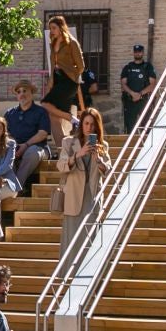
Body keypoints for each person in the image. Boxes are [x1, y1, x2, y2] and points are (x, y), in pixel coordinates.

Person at [56, 107, 108, 251]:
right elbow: (61, 166)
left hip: (91, 196)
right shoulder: (68, 142)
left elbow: (108, 171)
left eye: (92, 124)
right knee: (71, 241)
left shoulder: (102, 146)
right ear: (81, 124)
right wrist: (78, 154)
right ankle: (68, 273)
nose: (89, 127)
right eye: (86, 123)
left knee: (90, 241)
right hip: (72, 196)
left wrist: (99, 160)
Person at [41, 16, 84, 137]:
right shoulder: (53, 43)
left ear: (61, 27)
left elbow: (81, 66)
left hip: (69, 81)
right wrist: (51, 81)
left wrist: (72, 76)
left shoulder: (71, 42)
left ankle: (72, 119)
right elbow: (53, 65)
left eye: (54, 28)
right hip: (57, 80)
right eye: (50, 28)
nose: (52, 30)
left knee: (45, 103)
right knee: (53, 118)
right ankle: (61, 151)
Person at [118, 42, 158, 133]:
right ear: (133, 53)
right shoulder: (127, 67)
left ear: (143, 53)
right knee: (130, 126)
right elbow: (123, 84)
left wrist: (139, 94)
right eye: (135, 51)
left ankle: (146, 146)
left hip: (144, 100)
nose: (137, 53)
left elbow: (152, 84)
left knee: (146, 126)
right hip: (130, 101)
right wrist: (133, 94)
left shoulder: (148, 67)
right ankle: (130, 145)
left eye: (139, 52)